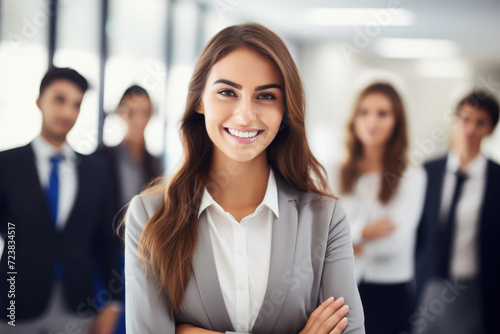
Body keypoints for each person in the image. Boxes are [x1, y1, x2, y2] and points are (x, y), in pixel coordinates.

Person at [124, 23, 365, 334]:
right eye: (227, 92)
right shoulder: (150, 214)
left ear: (285, 110)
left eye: (265, 96)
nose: (245, 115)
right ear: (199, 100)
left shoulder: (324, 219)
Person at [0, 67, 123, 334]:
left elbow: (106, 241)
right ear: (39, 101)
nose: (68, 112)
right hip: (15, 303)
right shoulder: (7, 164)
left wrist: (114, 303)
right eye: (59, 99)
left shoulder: (95, 170)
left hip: (77, 304)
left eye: (76, 104)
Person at [329, 83, 426, 334]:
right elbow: (319, 239)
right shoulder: (334, 172)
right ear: (354, 119)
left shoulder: (412, 176)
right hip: (340, 291)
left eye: (383, 113)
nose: (372, 121)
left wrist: (347, 240)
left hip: (390, 294)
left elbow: (393, 246)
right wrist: (365, 233)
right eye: (364, 112)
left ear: (396, 121)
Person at [414, 91, 500, 334]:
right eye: (465, 119)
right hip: (428, 283)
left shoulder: (496, 179)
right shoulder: (428, 172)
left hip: (476, 288)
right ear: (454, 120)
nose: (470, 129)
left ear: (490, 129)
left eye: (480, 122)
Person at [94, 84, 163, 222]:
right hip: (110, 241)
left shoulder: (155, 163)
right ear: (120, 113)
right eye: (131, 113)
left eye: (144, 112)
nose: (138, 120)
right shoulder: (102, 158)